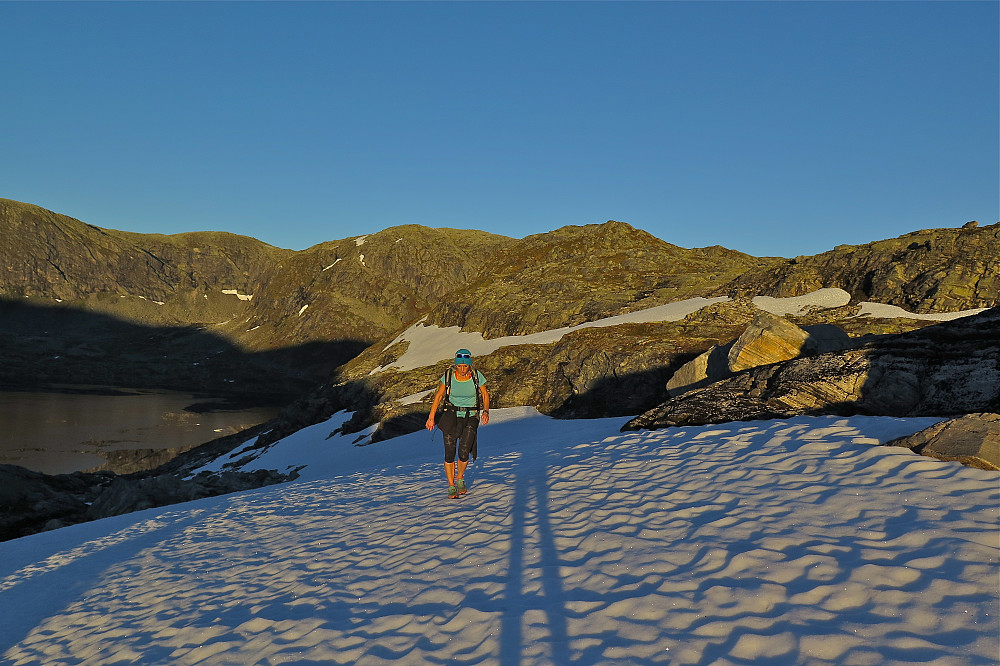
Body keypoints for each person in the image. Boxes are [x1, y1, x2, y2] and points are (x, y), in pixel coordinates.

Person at [425, 348, 490, 499]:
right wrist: (431, 417)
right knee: (449, 453)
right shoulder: (448, 376)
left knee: (464, 451)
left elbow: (485, 394)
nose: (462, 369)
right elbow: (439, 395)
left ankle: (460, 477)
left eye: (465, 366)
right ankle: (451, 485)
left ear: (469, 365)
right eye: (459, 366)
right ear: (455, 365)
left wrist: (485, 411)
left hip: (471, 416)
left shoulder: (476, 376)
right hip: (450, 416)